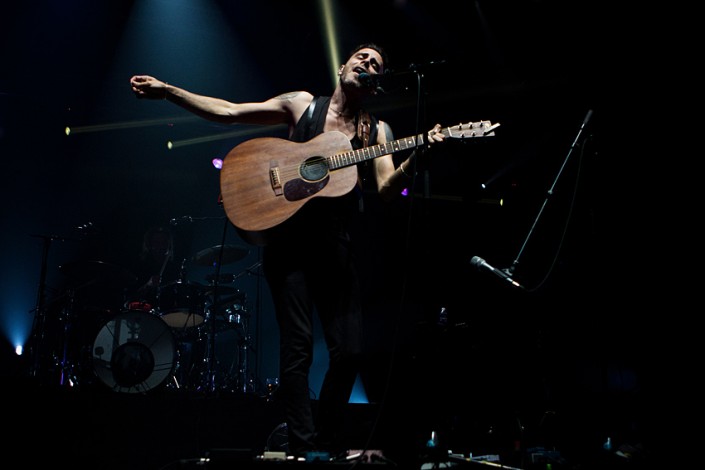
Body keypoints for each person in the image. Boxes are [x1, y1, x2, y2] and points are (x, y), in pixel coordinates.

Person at [130, 43, 446, 457]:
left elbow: (386, 190)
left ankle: (329, 442)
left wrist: (418, 154)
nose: (368, 65)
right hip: (290, 243)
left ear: (378, 83)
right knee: (296, 349)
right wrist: (169, 90)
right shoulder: (302, 105)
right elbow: (228, 111)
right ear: (342, 66)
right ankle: (305, 447)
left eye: (377, 65)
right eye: (362, 59)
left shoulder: (377, 130)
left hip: (336, 245)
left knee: (350, 351)